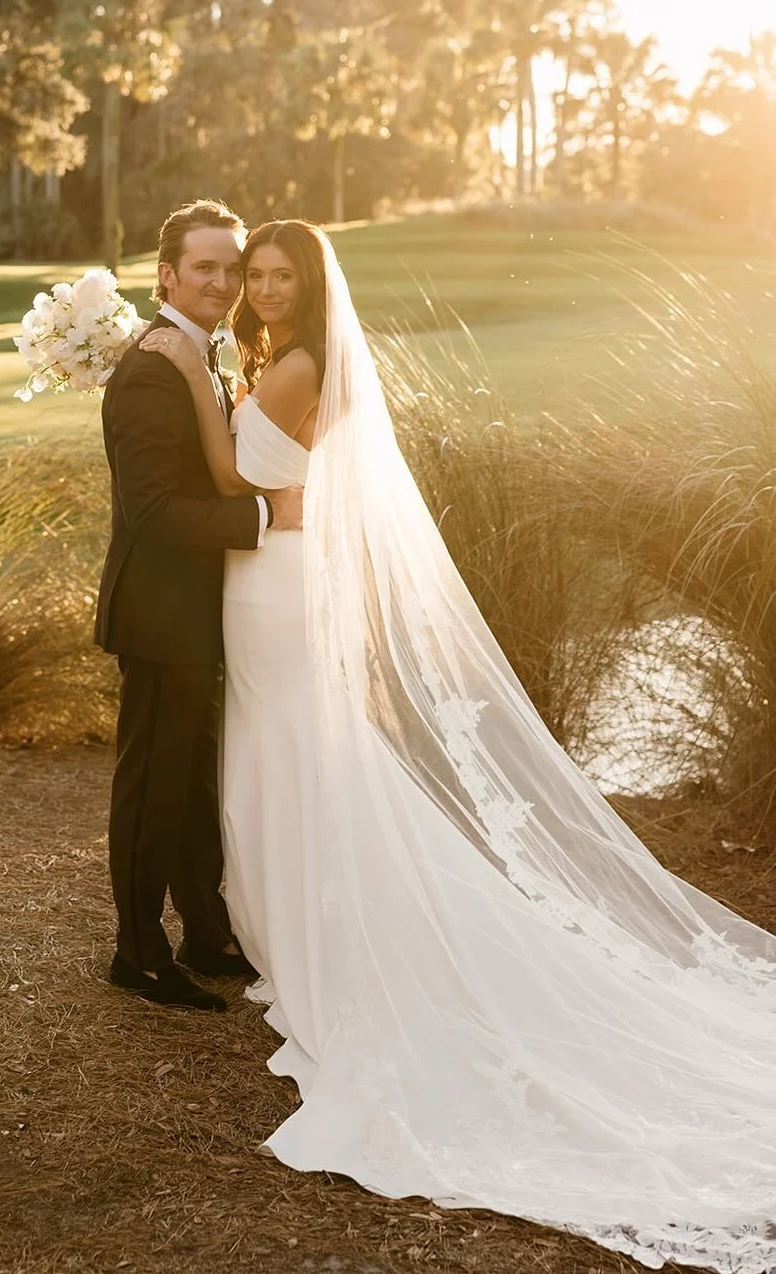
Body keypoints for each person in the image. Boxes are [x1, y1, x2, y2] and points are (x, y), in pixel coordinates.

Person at [138, 220, 776, 1274]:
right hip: (267, 587)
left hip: (272, 590)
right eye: (252, 274)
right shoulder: (287, 358)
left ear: (308, 286)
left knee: (290, 753)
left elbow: (233, 475)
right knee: (286, 752)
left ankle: (317, 935)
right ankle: (296, 922)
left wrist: (187, 376)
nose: (261, 288)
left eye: (277, 274)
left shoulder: (293, 367)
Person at [95, 199, 303, 1013]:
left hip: (201, 611)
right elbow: (150, 513)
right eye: (205, 268)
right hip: (160, 612)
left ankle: (206, 933)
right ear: (167, 275)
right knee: (153, 786)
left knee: (188, 783)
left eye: (231, 268)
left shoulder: (201, 358)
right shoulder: (152, 368)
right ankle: (138, 953)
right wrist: (263, 516)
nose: (222, 282)